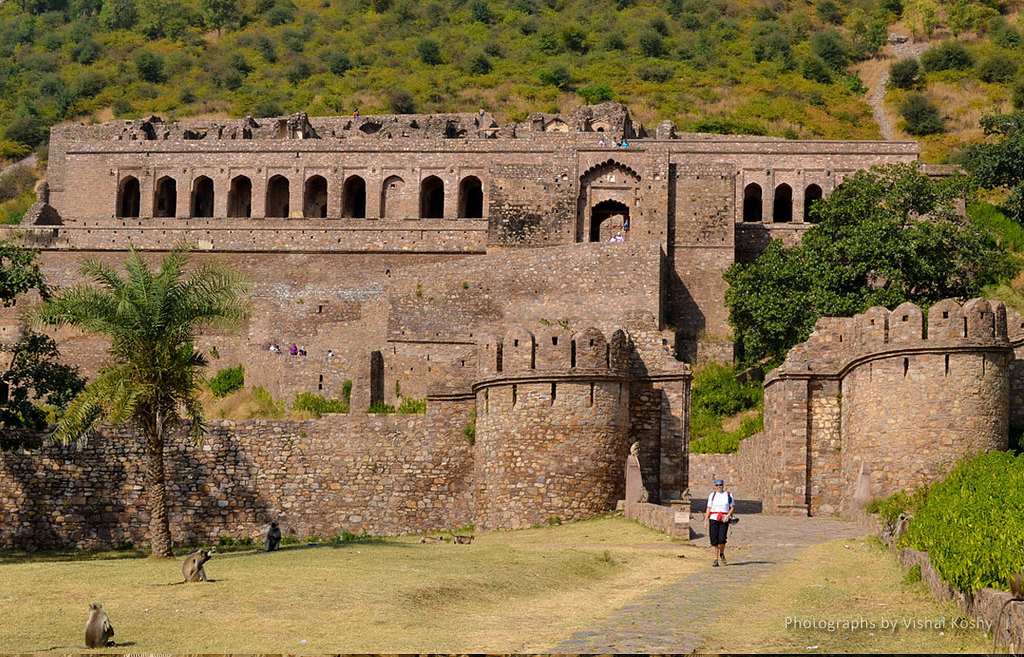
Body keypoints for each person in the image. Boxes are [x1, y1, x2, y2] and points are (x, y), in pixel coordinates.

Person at [704, 478, 734, 567]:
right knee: (714, 540)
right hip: (714, 518)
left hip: (724, 518)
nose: (719, 487)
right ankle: (715, 559)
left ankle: (722, 553)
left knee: (722, 539)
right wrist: (706, 520)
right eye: (717, 485)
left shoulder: (728, 495)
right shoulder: (712, 495)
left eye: (720, 485)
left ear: (723, 485)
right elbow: (709, 508)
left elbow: (732, 507)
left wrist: (728, 515)